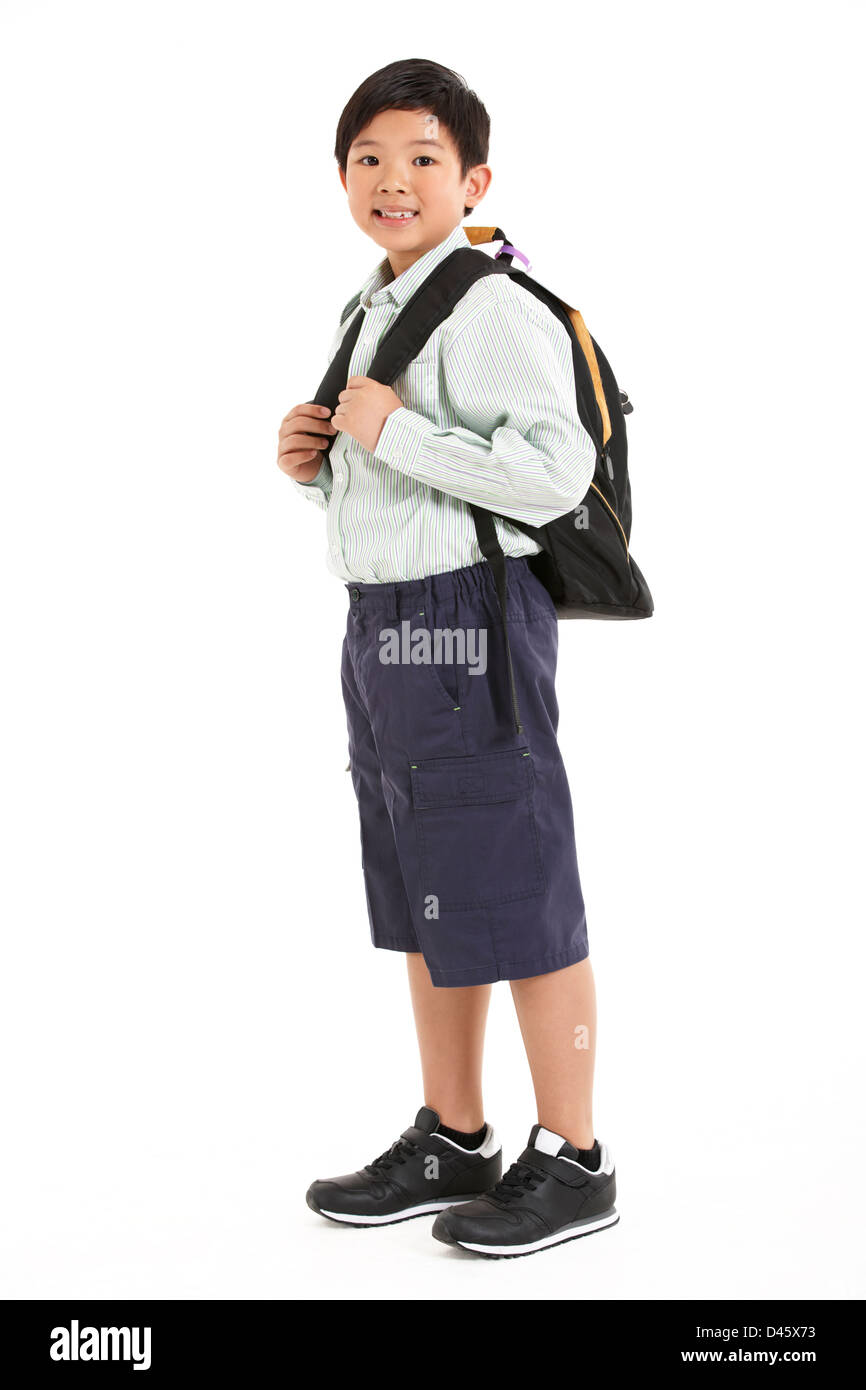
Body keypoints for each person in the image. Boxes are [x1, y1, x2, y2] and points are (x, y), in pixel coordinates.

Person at [277, 58, 618, 1258]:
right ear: (340, 177)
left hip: (469, 620)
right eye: (367, 157)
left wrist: (397, 432)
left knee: (515, 879)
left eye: (421, 157)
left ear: (472, 180)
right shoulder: (371, 301)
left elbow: (550, 474)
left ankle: (574, 1159)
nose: (390, 178)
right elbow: (398, 469)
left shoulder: (488, 307)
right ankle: (456, 1133)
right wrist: (316, 459)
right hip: (383, 625)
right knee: (428, 881)